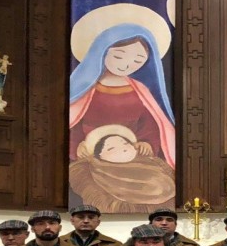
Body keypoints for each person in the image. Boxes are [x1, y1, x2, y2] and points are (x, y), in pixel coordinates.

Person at [69, 24, 176, 167]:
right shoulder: (86, 88)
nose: (127, 65)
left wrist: (147, 142)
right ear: (102, 51)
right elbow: (73, 122)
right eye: (119, 56)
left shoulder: (140, 90)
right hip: (90, 155)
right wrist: (76, 145)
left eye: (138, 60)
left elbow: (150, 122)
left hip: (131, 153)